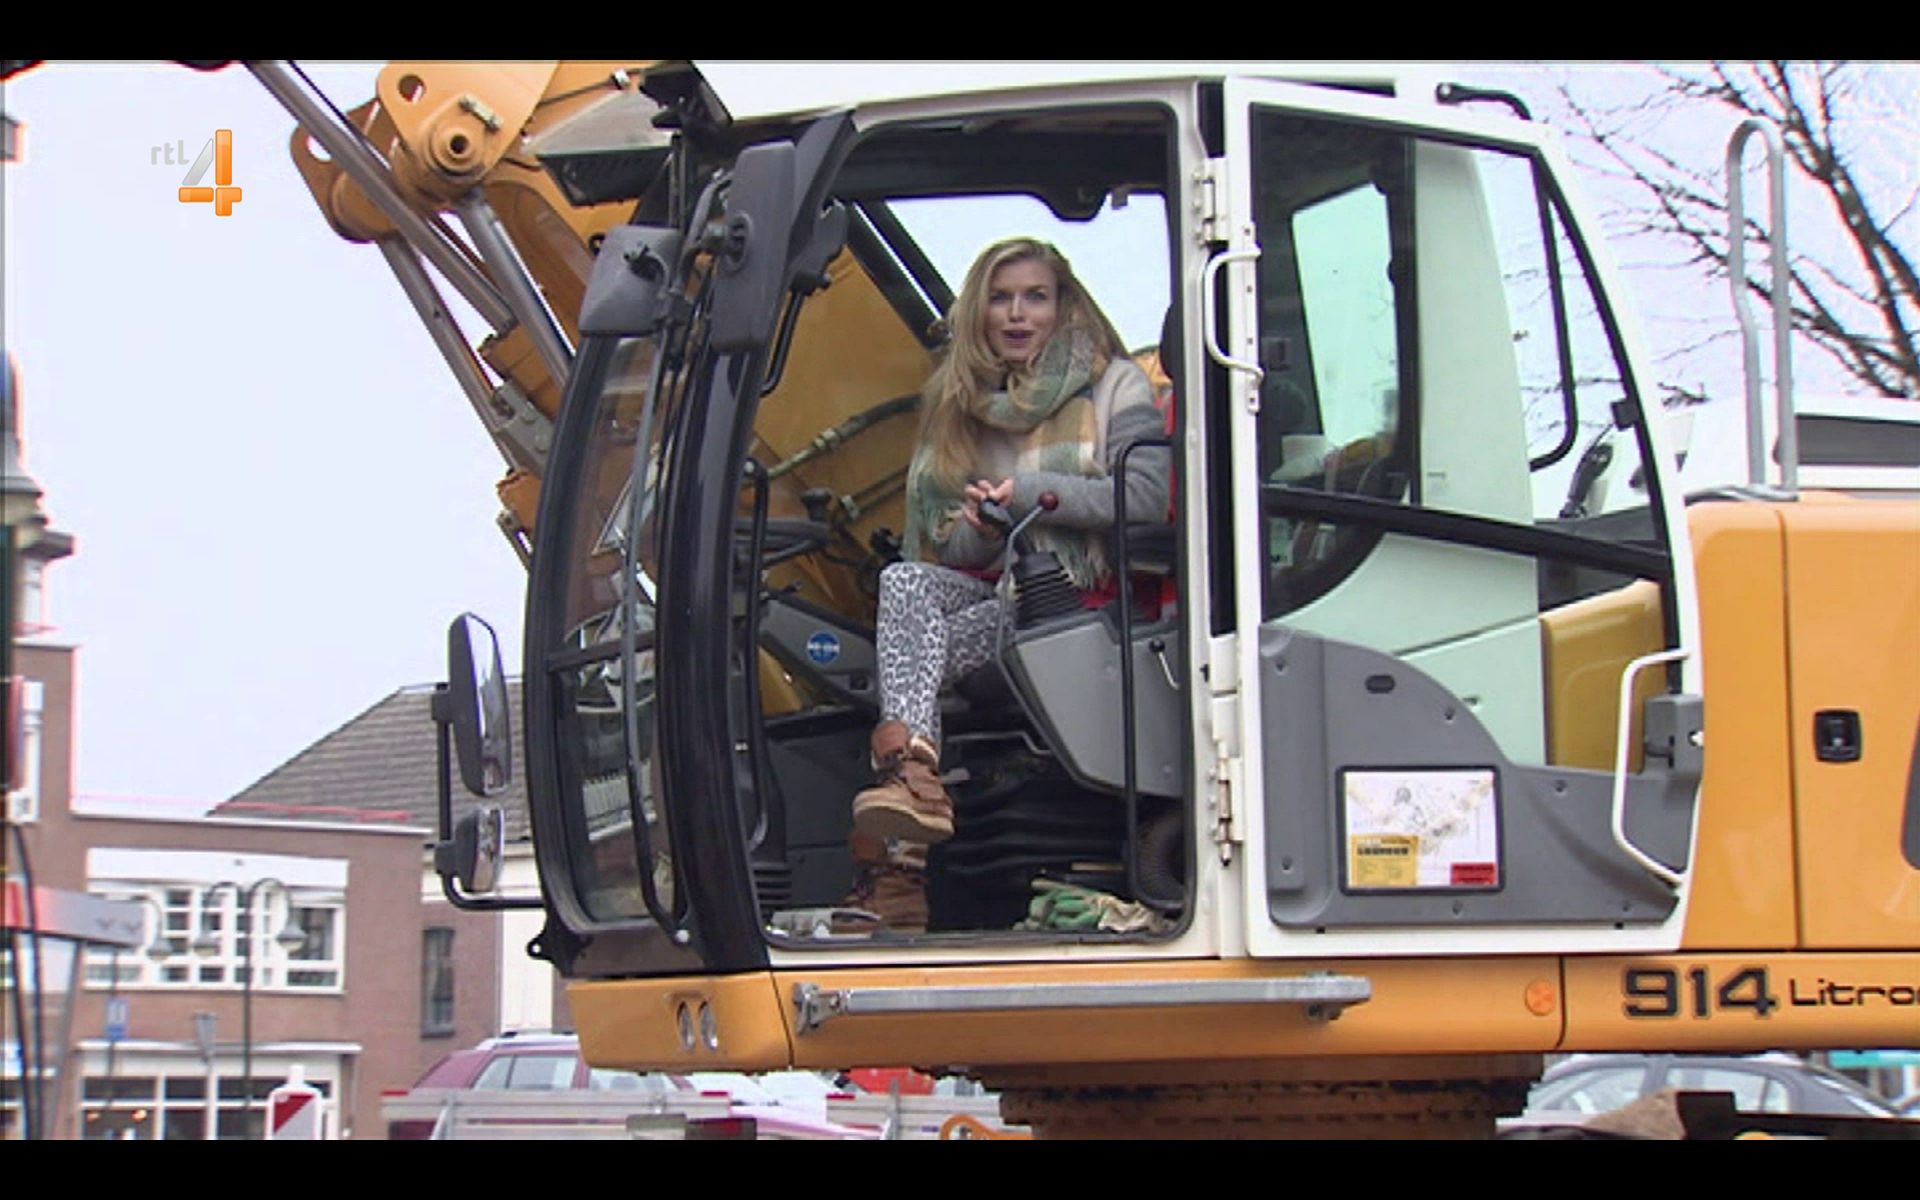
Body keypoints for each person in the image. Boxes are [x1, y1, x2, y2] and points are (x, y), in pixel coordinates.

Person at [845, 236, 1171, 928]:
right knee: (905, 584)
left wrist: (1031, 495)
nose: (1017, 314)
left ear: (1064, 305)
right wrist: (985, 528)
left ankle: (901, 863)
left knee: (915, 655)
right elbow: (952, 550)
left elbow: (1145, 497)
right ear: (978, 312)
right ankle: (915, 778)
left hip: (1079, 599)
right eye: (1000, 298)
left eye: (1035, 297)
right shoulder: (960, 404)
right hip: (1003, 591)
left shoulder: (1115, 384)